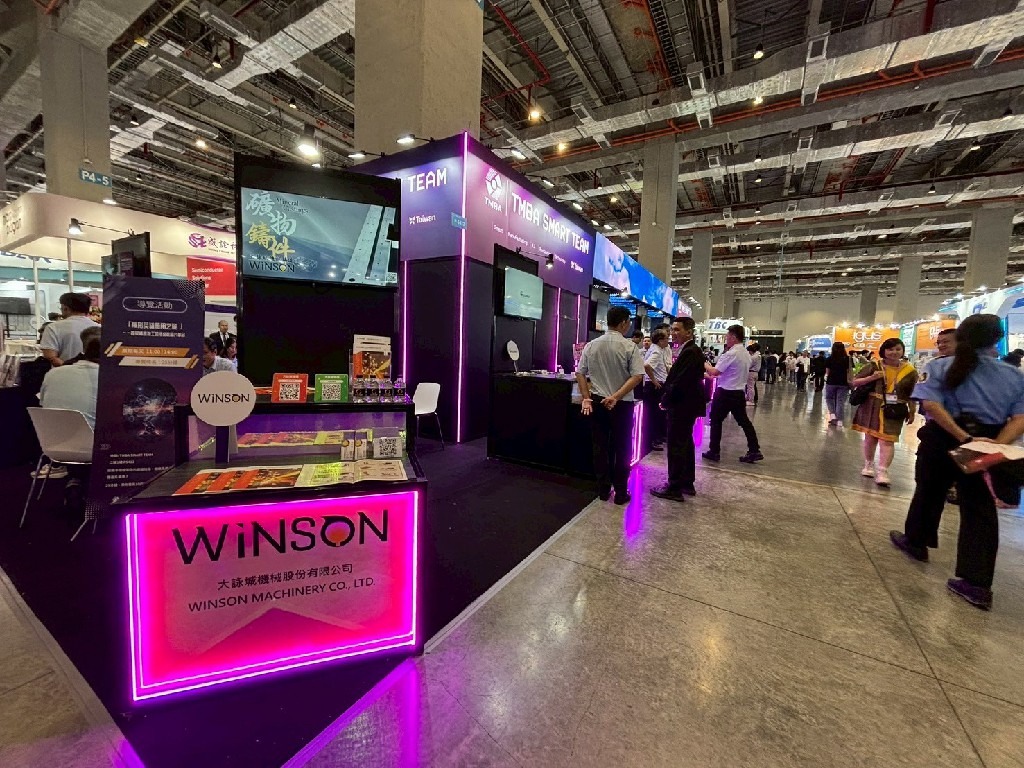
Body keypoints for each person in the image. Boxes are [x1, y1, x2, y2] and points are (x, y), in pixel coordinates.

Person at [890, 315, 1024, 610]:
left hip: (944, 437)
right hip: (988, 441)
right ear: (997, 339)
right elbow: (1020, 418)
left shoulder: (939, 367)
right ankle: (976, 584)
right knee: (979, 508)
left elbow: (931, 405)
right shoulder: (1014, 376)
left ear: (961, 337)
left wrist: (963, 437)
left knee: (929, 490)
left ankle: (916, 542)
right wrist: (994, 444)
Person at [576, 306, 645, 505]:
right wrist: (616, 396)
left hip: (597, 402)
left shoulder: (592, 345)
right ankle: (621, 492)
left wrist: (586, 397)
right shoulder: (629, 347)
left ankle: (603, 490)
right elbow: (637, 376)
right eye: (629, 322)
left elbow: (580, 373)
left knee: (600, 446)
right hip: (621, 404)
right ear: (623, 323)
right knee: (622, 447)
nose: (629, 325)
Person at [651, 317, 706, 501]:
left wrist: (666, 400)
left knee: (676, 445)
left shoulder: (690, 351)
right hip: (686, 405)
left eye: (677, 330)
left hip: (682, 405)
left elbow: (680, 382)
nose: (673, 333)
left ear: (688, 332)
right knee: (684, 443)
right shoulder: (689, 350)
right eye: (672, 330)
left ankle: (674, 486)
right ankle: (686, 482)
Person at [851, 338, 918, 487]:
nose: (894, 352)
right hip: (872, 406)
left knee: (888, 440)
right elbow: (854, 382)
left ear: (903, 351)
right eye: (890, 349)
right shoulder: (874, 365)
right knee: (870, 438)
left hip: (895, 409)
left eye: (898, 349)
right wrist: (872, 377)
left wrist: (912, 410)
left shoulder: (910, 371)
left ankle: (883, 471)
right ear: (884, 351)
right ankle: (868, 464)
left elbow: (912, 393)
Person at [703, 325, 763, 463]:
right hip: (738, 393)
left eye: (727, 336)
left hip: (725, 392)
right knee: (744, 422)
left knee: (716, 421)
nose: (726, 338)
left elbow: (715, 371)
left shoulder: (731, 353)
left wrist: (704, 363)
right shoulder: (746, 354)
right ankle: (754, 449)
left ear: (734, 337)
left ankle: (714, 451)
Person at [39, 292, 99, 367]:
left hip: (62, 373)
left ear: (65, 308)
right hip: (94, 372)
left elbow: (51, 357)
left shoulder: (53, 327)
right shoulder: (99, 328)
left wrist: (69, 369)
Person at [643, 329, 672, 450]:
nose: (668, 340)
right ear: (660, 340)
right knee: (654, 414)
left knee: (657, 414)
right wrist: (654, 380)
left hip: (656, 385)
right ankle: (652, 440)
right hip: (655, 386)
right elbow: (647, 365)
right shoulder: (656, 351)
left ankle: (656, 437)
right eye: (666, 338)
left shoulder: (657, 349)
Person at [824, 342, 853, 426]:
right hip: (843, 383)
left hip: (831, 382)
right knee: (840, 401)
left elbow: (827, 372)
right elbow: (849, 371)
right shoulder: (848, 359)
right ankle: (839, 421)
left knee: (829, 398)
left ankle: (833, 415)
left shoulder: (829, 359)